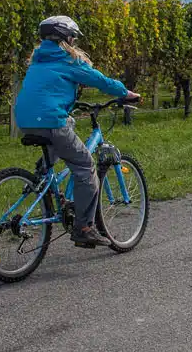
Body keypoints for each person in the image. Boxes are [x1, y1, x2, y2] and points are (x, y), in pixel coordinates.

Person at [13, 15, 141, 248]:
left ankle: (44, 175)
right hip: (50, 120)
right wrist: (125, 93)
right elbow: (99, 80)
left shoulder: (38, 60)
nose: (73, 41)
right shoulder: (67, 60)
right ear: (66, 38)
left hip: (24, 119)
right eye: (72, 37)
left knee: (68, 123)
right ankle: (83, 228)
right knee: (85, 166)